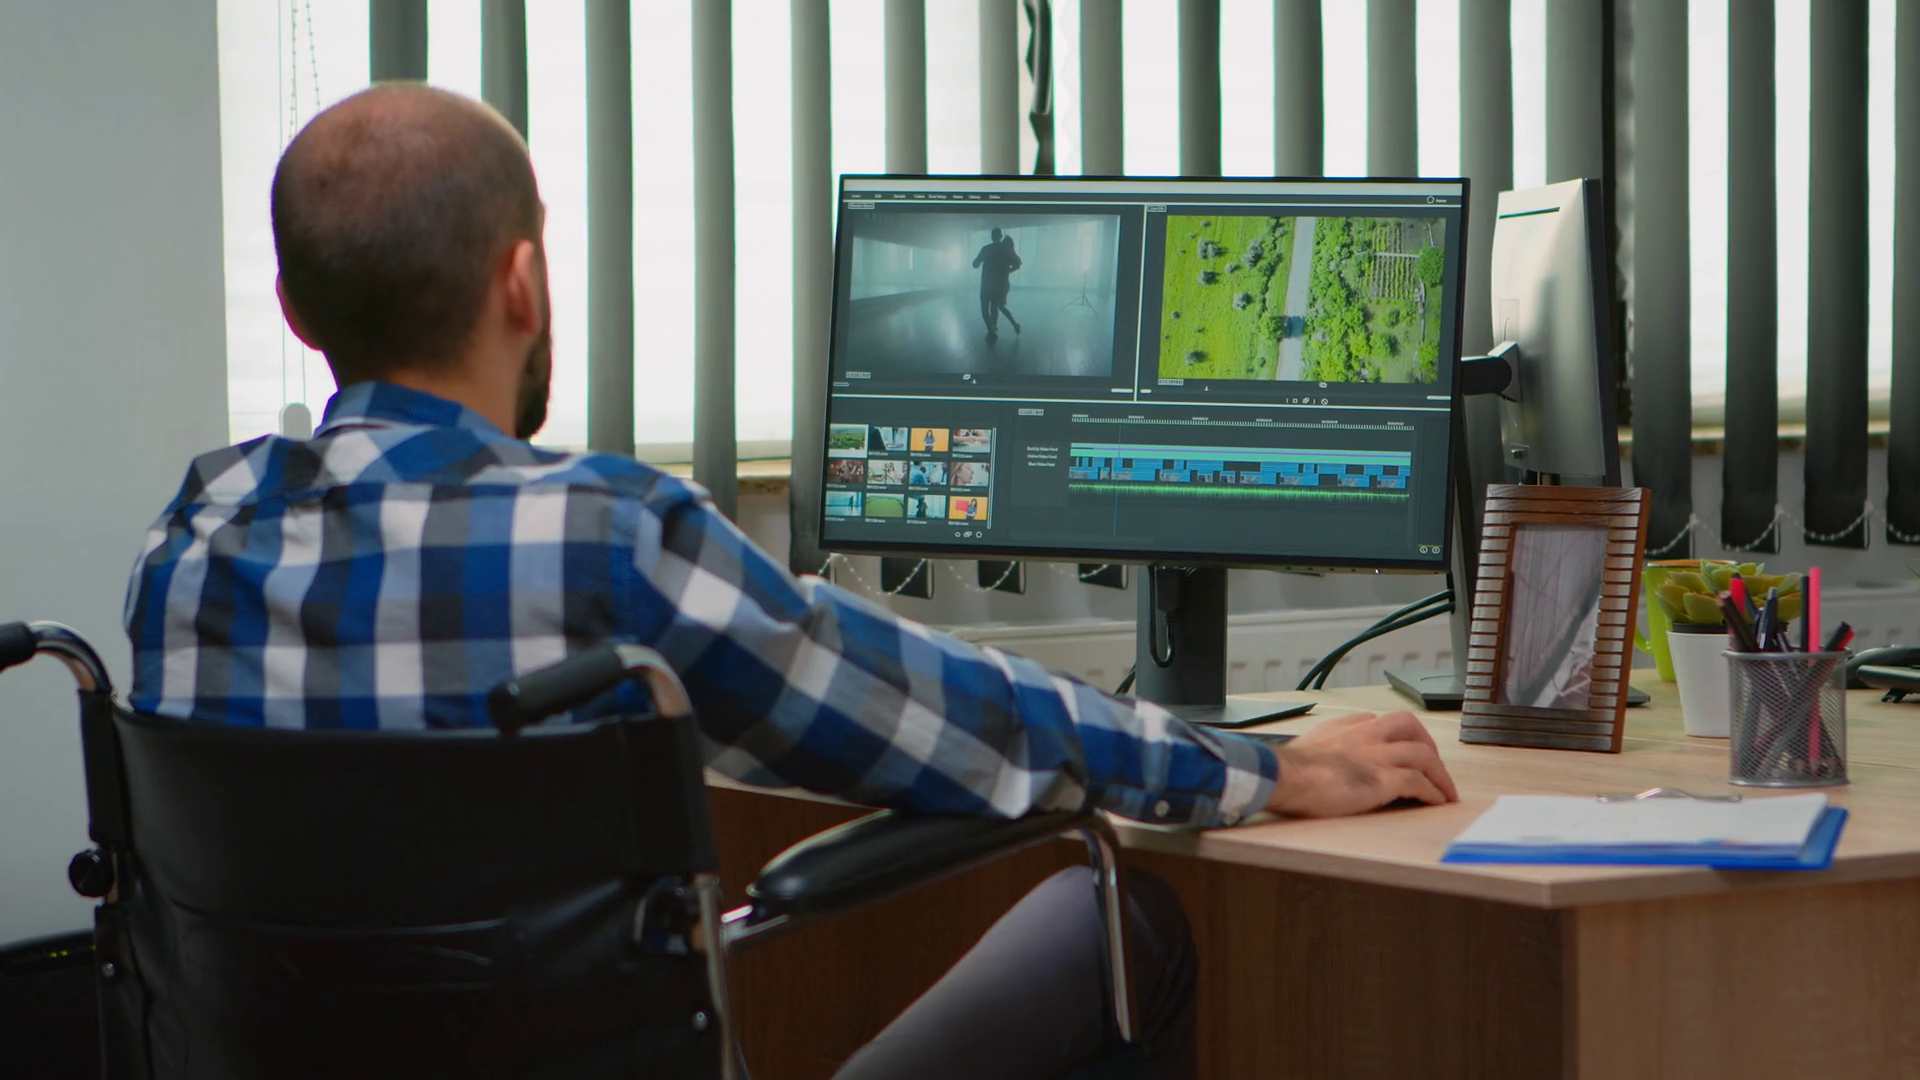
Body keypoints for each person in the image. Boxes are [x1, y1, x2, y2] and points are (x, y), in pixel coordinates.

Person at [124, 86, 1457, 1080]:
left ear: (296, 308)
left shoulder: (191, 547)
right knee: (1119, 918)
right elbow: (941, 720)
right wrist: (1264, 770)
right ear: (521, 282)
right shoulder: (605, 540)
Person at [972, 227, 1023, 338]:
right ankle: (998, 327)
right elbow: (1017, 265)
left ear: (991, 237)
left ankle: (992, 330)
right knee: (997, 306)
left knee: (985, 310)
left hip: (986, 284)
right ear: (1001, 236)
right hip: (1001, 284)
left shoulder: (986, 249)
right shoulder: (1006, 250)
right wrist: (1007, 271)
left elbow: (975, 264)